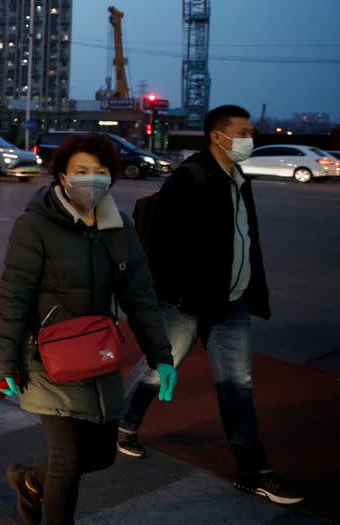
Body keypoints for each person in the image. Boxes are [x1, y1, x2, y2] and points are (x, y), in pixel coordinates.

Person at [117, 105, 303, 505]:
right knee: (157, 370)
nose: (249, 138)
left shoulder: (240, 177)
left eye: (250, 131)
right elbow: (161, 249)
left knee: (238, 387)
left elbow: (244, 238)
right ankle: (123, 425)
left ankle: (254, 471)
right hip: (185, 304)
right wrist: (181, 296)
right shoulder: (189, 177)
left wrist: (251, 287)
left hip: (231, 304)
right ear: (217, 136)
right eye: (242, 131)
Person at [0, 134, 177, 524]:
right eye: (81, 171)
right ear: (61, 177)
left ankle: (29, 482)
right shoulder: (34, 226)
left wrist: (162, 356)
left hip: (98, 356)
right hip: (48, 357)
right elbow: (14, 297)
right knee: (68, 458)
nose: (91, 179)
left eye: (101, 172)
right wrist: (6, 361)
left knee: (101, 454)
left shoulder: (119, 227)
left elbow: (140, 295)